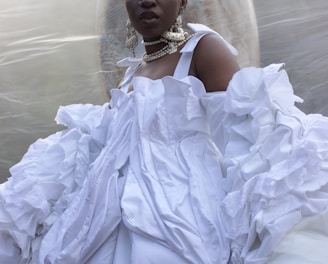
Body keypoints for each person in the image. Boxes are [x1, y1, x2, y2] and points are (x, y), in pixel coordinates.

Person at [1, 0, 328, 263]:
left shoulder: (203, 49)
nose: (147, 2)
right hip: (111, 212)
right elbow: (103, 143)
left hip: (182, 210)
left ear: (183, 2)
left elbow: (247, 126)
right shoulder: (132, 72)